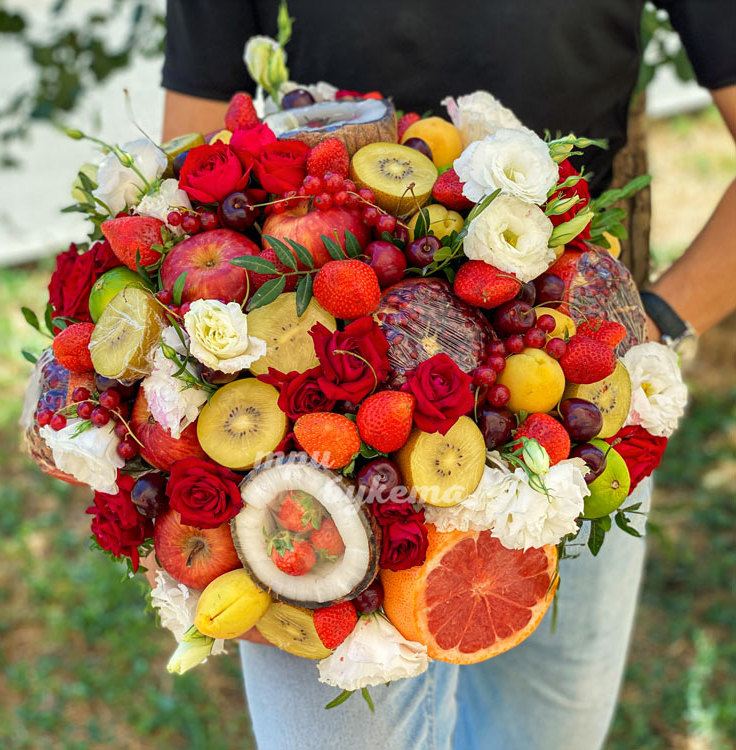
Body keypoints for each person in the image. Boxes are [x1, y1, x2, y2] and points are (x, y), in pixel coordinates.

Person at [156, 2, 736, 748]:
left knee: (543, 738)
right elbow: (192, 158)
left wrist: (660, 320)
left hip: (564, 412)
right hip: (305, 426)